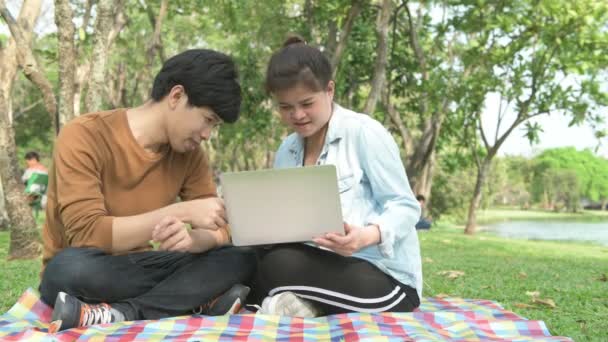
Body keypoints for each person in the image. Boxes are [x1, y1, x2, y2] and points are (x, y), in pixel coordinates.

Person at [39, 49, 256, 331]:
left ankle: (121, 313)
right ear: (176, 97)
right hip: (91, 269)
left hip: (145, 266)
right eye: (208, 119)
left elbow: (224, 228)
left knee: (243, 257)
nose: (206, 134)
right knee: (66, 269)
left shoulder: (190, 154)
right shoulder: (84, 135)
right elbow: (87, 234)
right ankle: (193, 300)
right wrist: (181, 210)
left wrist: (197, 240)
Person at [253, 36, 423, 317]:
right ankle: (300, 302)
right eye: (285, 107)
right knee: (252, 256)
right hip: (321, 266)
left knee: (276, 265)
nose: (297, 115)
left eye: (307, 103)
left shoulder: (364, 133)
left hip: (383, 277)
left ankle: (284, 299)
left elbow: (405, 206)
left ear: (329, 90)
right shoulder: (287, 150)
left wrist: (366, 236)